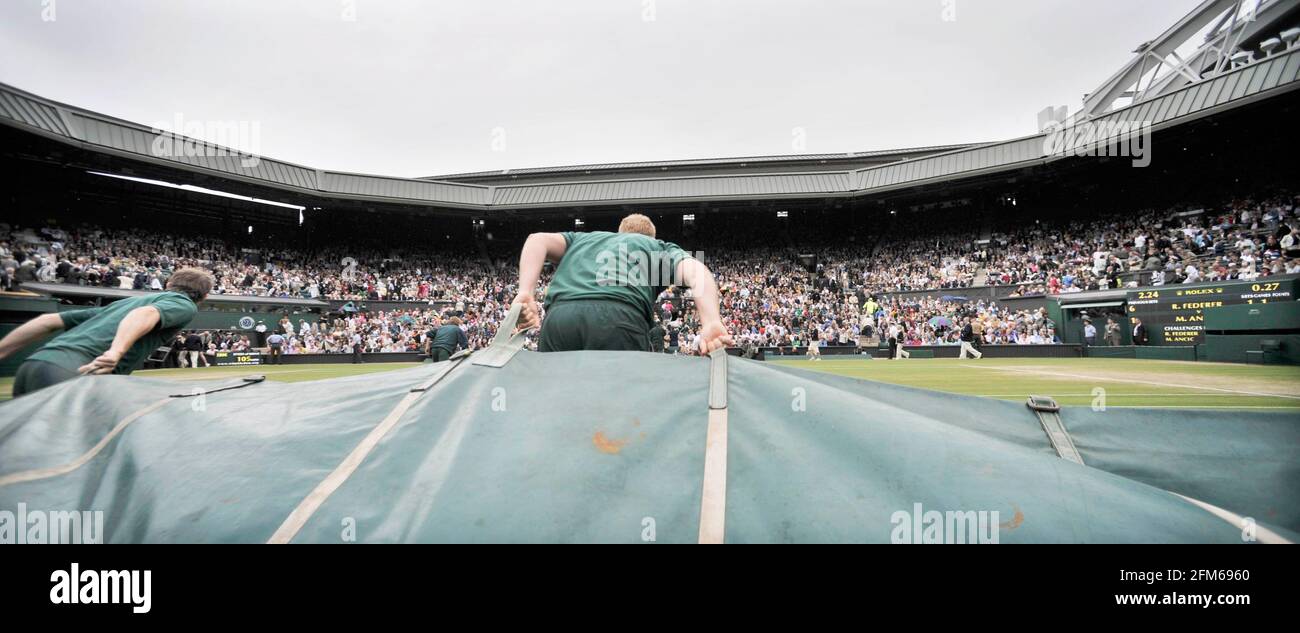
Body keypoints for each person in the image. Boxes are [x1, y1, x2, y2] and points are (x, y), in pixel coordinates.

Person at [512, 213, 731, 354]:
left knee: (555, 400)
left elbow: (536, 239)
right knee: (623, 409)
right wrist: (711, 321)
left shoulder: (584, 239)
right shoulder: (656, 247)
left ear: (619, 233)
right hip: (618, 317)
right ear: (652, 237)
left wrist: (526, 292)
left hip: (560, 318)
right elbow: (697, 272)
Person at [0, 267, 213, 397]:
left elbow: (47, 320)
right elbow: (144, 314)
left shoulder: (125, 303)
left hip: (33, 367)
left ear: (168, 284)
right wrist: (115, 352)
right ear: (203, 297)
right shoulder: (184, 304)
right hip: (80, 370)